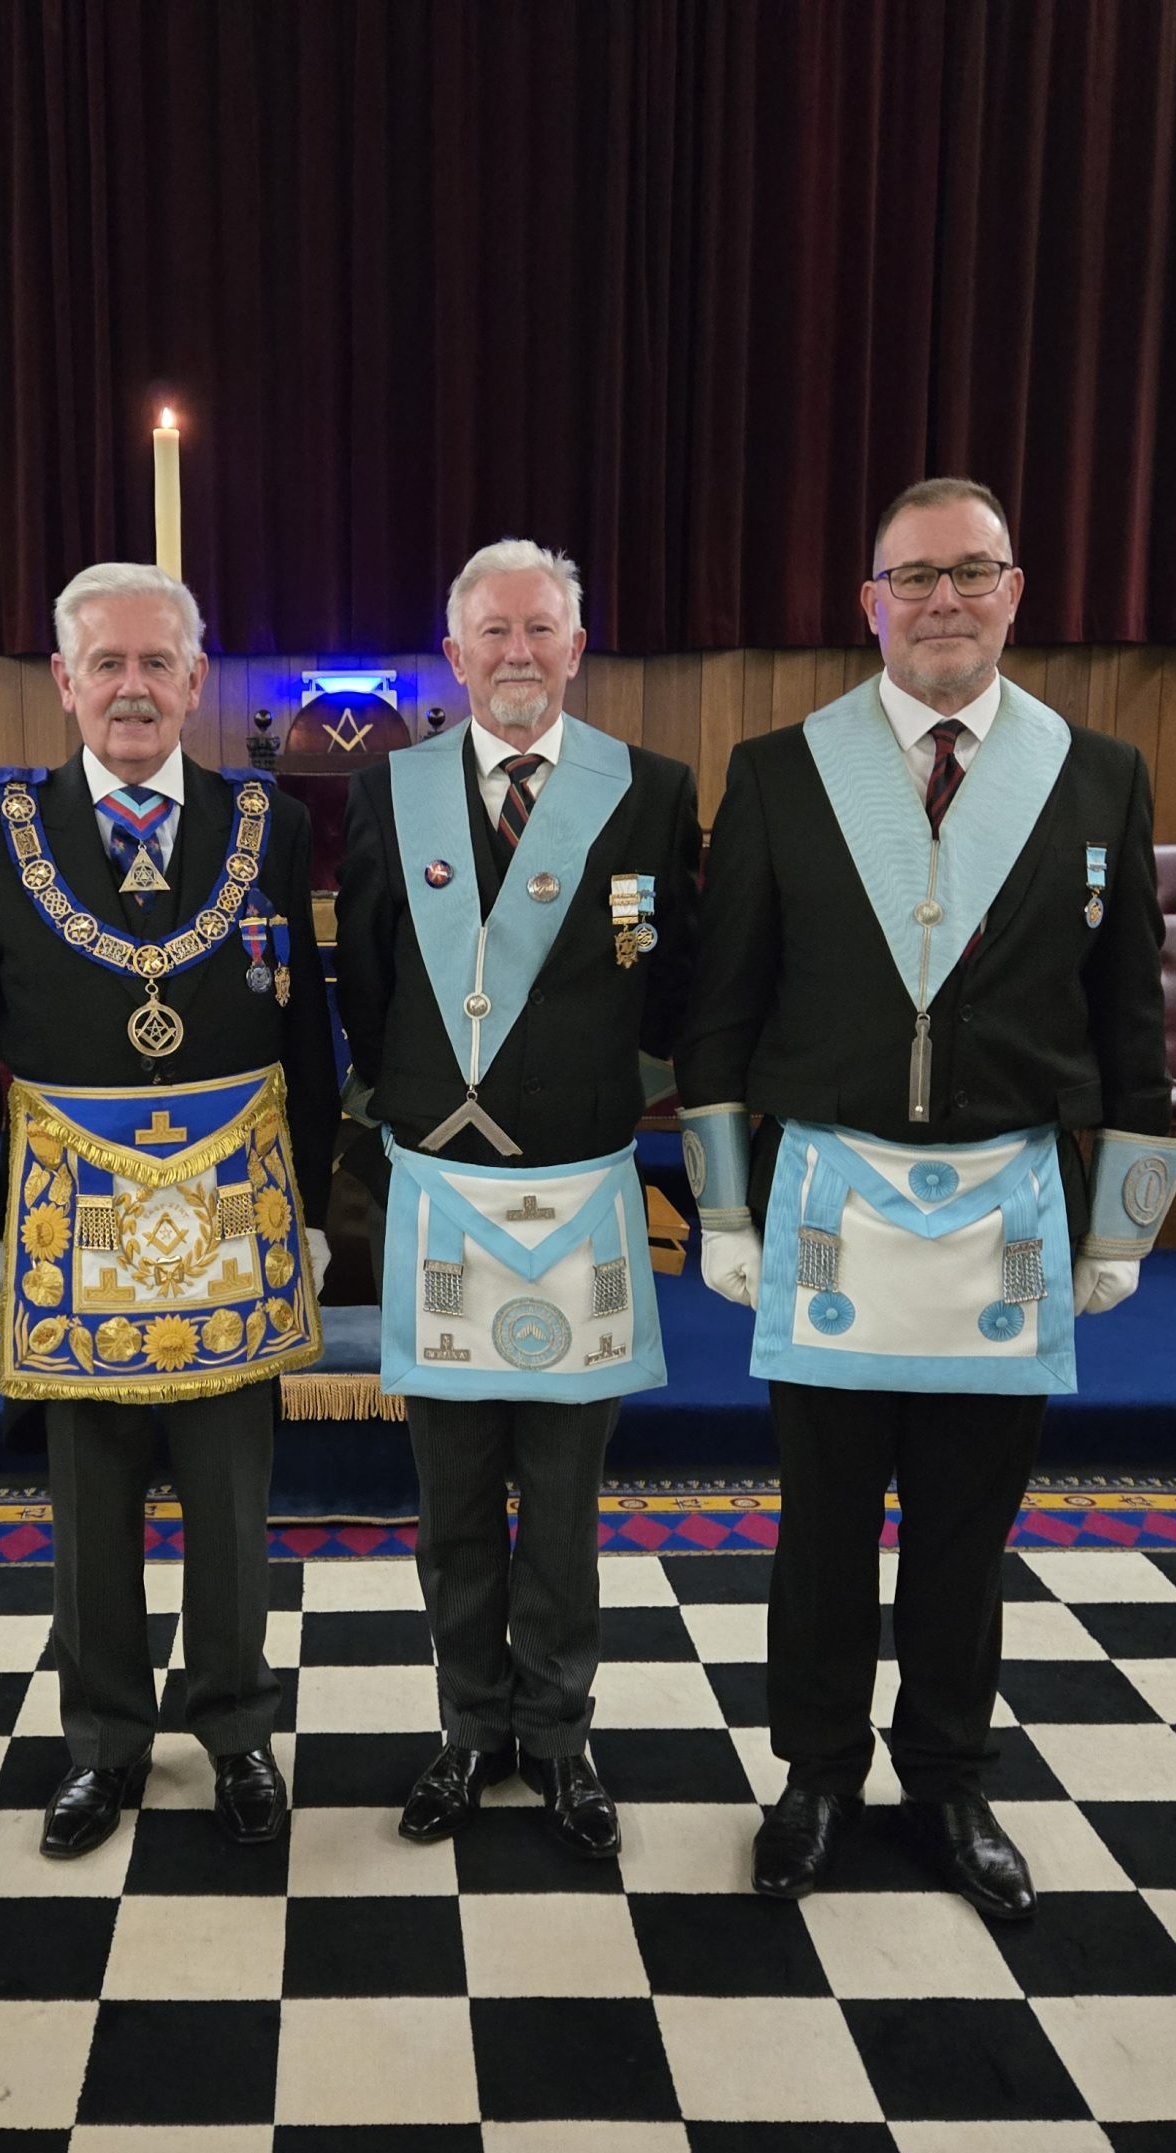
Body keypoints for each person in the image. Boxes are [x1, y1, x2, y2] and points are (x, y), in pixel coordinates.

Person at [675, 479, 1176, 1922]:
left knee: (972, 1529)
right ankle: (819, 1776)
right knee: (824, 1524)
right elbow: (723, 1014)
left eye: (973, 573)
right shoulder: (782, 769)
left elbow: (1132, 1012)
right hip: (830, 1194)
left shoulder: (1097, 774)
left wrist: (1127, 1221)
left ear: (1016, 591)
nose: (945, 600)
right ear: (871, 603)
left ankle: (951, 1776)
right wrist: (720, 1207)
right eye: (916, 578)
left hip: (1013, 1211)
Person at [0, 562, 338, 1857]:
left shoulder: (265, 825)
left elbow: (310, 1038)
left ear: (197, 681)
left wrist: (315, 1212)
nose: (132, 687)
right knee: (89, 1502)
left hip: (233, 1213)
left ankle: (233, 1730)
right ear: (63, 681)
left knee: (231, 1499)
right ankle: (101, 1743)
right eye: (104, 663)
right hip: (70, 1221)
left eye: (158, 663)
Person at [333, 540, 699, 1857]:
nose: (517, 652)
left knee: (563, 1497)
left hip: (580, 1190)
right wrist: (412, 1099)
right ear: (455, 653)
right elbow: (364, 981)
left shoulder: (648, 791)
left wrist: (600, 1089)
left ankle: (559, 1735)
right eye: (491, 631)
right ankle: (466, 1727)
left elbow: (668, 975)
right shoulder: (393, 790)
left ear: (575, 646)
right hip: (440, 1191)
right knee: (449, 1494)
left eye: (540, 628)